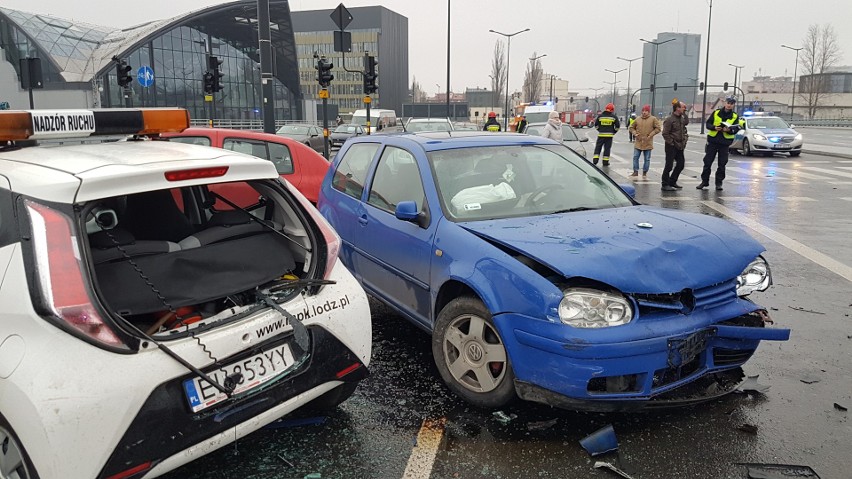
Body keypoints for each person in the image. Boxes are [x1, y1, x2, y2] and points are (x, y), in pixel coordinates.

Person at [698, 96, 744, 190]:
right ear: (725, 103)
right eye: (728, 103)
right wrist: (714, 127)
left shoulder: (735, 116)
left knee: (722, 164)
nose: (729, 105)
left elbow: (736, 128)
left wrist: (729, 130)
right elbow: (708, 124)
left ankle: (719, 183)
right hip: (713, 141)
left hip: (724, 143)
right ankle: (704, 182)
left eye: (731, 104)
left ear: (733, 105)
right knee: (707, 162)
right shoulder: (716, 112)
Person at [661, 98, 690, 191]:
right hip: (671, 146)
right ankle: (665, 184)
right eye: (682, 108)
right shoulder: (669, 120)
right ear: (677, 108)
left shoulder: (681, 118)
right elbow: (665, 133)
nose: (684, 109)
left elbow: (686, 122)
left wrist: (684, 112)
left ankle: (672, 181)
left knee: (681, 164)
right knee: (669, 165)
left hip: (680, 145)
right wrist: (671, 142)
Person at [627, 105, 661, 178]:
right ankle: (635, 171)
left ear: (648, 111)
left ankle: (645, 172)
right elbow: (631, 127)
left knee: (647, 159)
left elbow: (658, 128)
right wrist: (635, 133)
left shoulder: (653, 119)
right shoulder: (637, 119)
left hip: (648, 142)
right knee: (635, 157)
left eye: (646, 111)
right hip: (638, 142)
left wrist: (651, 134)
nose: (644, 112)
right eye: (643, 111)